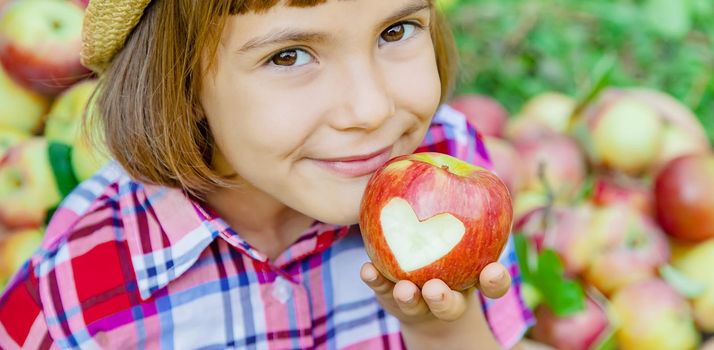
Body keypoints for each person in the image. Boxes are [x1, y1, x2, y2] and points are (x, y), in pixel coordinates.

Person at [0, 0, 534, 348]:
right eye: (289, 56)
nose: (371, 109)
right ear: (178, 84)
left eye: (397, 30)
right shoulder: (74, 292)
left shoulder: (452, 169)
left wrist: (438, 330)